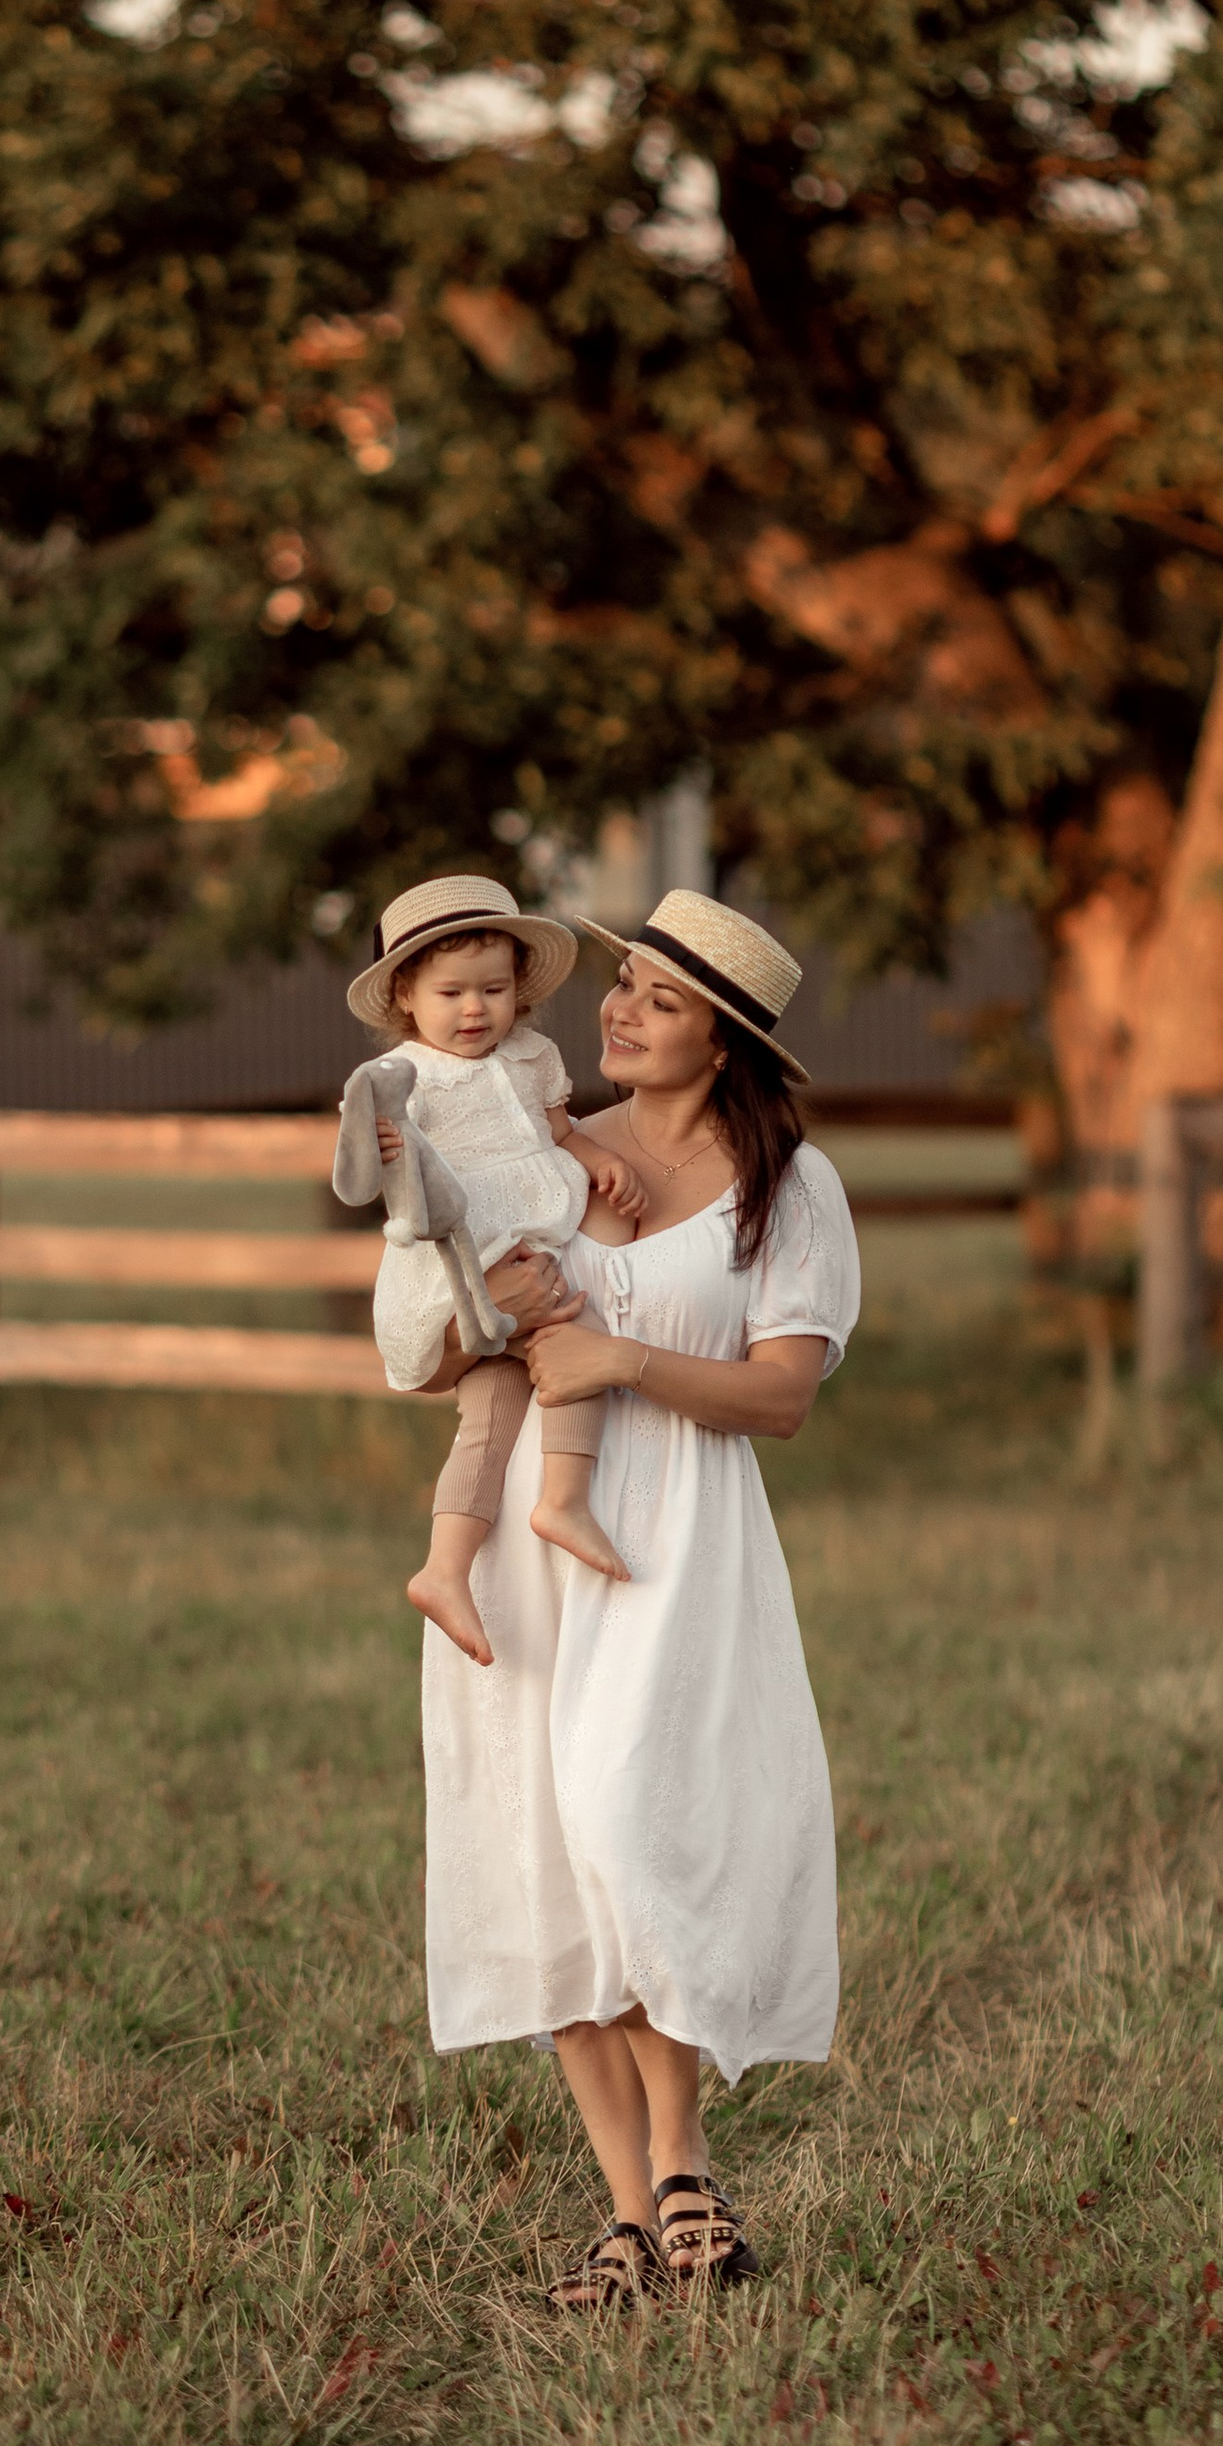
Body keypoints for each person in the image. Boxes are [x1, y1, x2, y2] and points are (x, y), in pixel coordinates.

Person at [412, 889, 860, 2310]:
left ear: (720, 1038)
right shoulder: (535, 1149)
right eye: (619, 988)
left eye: (658, 999)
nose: (616, 1012)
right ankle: (631, 2212)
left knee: (633, 1825)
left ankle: (683, 2161)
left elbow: (783, 1398)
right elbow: (441, 1334)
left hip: (676, 1545)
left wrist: (627, 1367)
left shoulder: (788, 1189)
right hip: (531, 1555)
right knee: (547, 1863)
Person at [342, 875, 648, 1653]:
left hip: (532, 1249)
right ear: (407, 995)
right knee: (536, 1363)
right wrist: (389, 1153)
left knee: (538, 1377)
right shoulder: (405, 1079)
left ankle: (526, 1521)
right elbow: (376, 1174)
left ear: (519, 991)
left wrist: (597, 1156)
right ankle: (475, 1549)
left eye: (494, 989)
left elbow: (561, 1130)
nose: (475, 1009)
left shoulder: (533, 1055)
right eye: (452, 993)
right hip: (463, 1262)